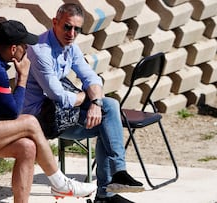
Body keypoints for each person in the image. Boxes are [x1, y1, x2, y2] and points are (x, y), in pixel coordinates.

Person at [0, 20, 97, 202]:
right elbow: (12, 114)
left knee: (27, 148)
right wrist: (22, 78)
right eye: (25, 46)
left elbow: (7, 112)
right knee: (29, 122)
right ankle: (60, 184)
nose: (27, 50)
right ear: (14, 49)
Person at [23, 3, 144, 203]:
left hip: (60, 112)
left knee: (108, 107)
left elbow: (92, 79)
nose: (72, 33)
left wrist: (95, 102)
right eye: (67, 27)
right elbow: (58, 95)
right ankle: (108, 191)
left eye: (77, 29)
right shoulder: (40, 50)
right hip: (38, 118)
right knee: (107, 120)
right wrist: (88, 97)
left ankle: (117, 177)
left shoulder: (71, 47)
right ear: (55, 22)